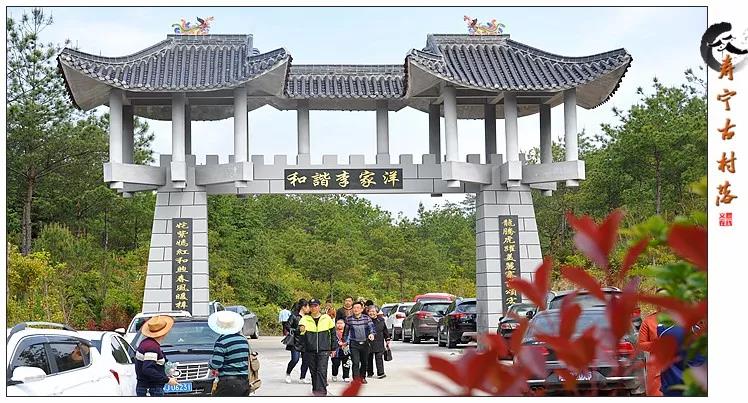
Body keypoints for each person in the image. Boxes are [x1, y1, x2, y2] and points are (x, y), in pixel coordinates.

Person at [298, 298, 336, 396]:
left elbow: (333, 333)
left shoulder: (326, 318)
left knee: (321, 370)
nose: (313, 308)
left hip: (324, 349)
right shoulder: (305, 319)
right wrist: (301, 331)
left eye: (315, 306)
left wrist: (333, 348)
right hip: (310, 349)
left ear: (319, 307)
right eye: (311, 306)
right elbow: (300, 334)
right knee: (313, 371)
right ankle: (316, 390)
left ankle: (321, 392)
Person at [208, 310, 252, 396]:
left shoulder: (221, 342)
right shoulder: (243, 339)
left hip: (228, 383)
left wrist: (210, 363)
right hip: (244, 382)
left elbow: (216, 364)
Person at [134, 315, 179, 397]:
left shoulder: (146, 343)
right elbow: (148, 369)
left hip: (146, 387)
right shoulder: (152, 347)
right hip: (151, 389)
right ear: (165, 332)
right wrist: (167, 380)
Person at [343, 301, 376, 384]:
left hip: (365, 343)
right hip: (354, 343)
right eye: (354, 308)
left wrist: (372, 334)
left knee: (364, 362)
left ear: (362, 309)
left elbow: (372, 328)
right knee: (355, 362)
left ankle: (362, 377)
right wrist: (344, 342)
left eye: (358, 308)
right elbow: (346, 332)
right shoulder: (349, 319)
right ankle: (356, 379)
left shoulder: (366, 318)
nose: (356, 309)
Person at [285, 299, 311, 384]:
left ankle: (302, 377)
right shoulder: (294, 316)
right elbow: (287, 326)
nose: (309, 308)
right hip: (296, 341)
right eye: (308, 306)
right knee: (295, 359)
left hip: (306, 341)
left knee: (306, 360)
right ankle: (288, 373)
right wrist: (297, 330)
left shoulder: (309, 317)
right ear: (303, 307)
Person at [366, 305, 391, 379]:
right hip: (368, 341)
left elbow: (385, 330)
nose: (372, 313)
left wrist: (387, 339)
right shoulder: (365, 321)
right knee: (369, 358)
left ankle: (381, 373)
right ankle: (369, 372)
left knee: (379, 357)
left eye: (373, 311)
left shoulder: (381, 320)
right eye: (370, 311)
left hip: (379, 341)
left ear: (377, 312)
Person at [330, 318, 351, 382]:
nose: (339, 325)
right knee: (335, 364)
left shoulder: (348, 332)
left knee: (346, 364)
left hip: (346, 350)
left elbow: (350, 338)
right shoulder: (333, 332)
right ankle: (334, 374)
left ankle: (346, 376)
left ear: (344, 324)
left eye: (341, 323)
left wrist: (345, 343)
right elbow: (331, 339)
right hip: (336, 350)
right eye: (338, 323)